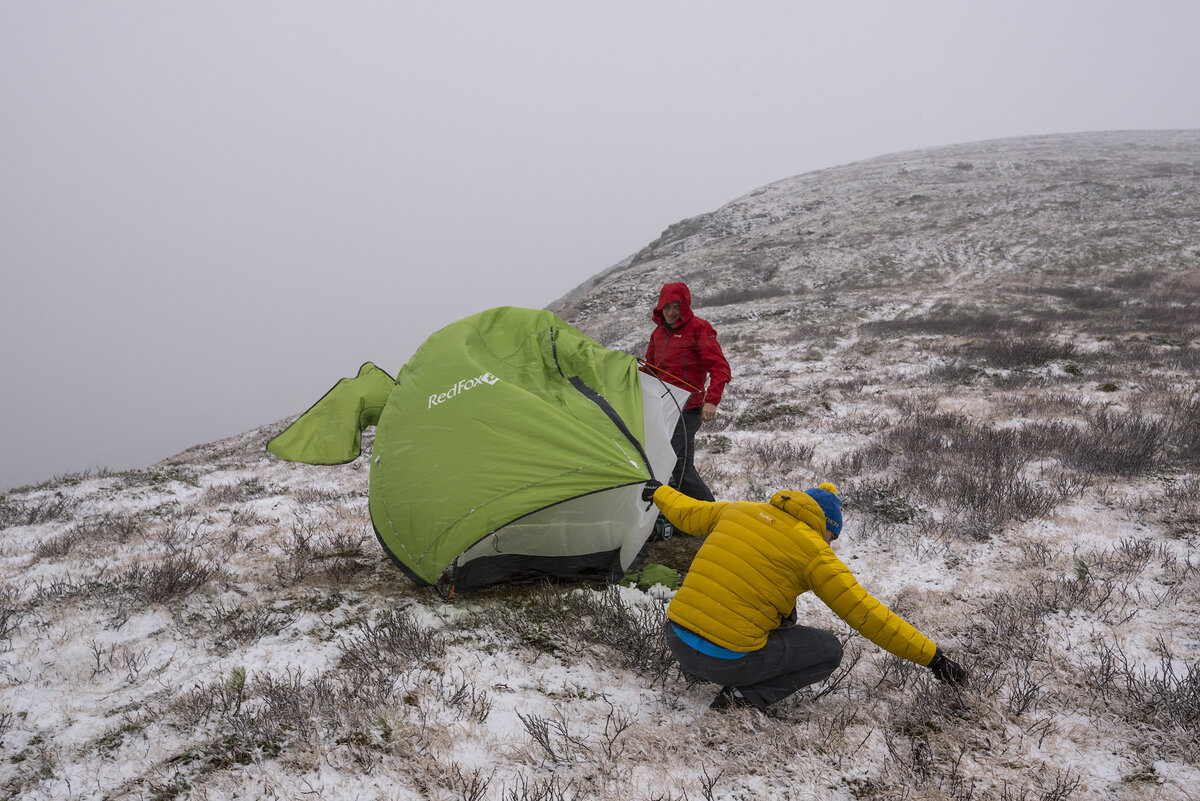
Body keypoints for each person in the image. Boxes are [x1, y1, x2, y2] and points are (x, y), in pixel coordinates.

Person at [641, 478, 968, 712]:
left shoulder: (739, 510)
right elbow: (868, 615)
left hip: (676, 639)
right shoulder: (814, 552)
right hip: (728, 659)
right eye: (832, 536)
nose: (831, 544)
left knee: (784, 612)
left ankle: (697, 669)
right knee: (828, 650)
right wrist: (933, 658)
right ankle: (742, 697)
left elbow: (687, 511)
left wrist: (660, 492)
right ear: (825, 527)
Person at [642, 282, 731, 502]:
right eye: (667, 307)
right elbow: (651, 369)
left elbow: (720, 367)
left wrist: (712, 401)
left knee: (665, 460)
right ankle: (702, 513)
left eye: (676, 306)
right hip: (664, 409)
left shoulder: (700, 328)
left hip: (688, 410)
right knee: (681, 467)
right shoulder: (658, 334)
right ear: (660, 308)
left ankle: (698, 513)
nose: (671, 312)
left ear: (685, 306)